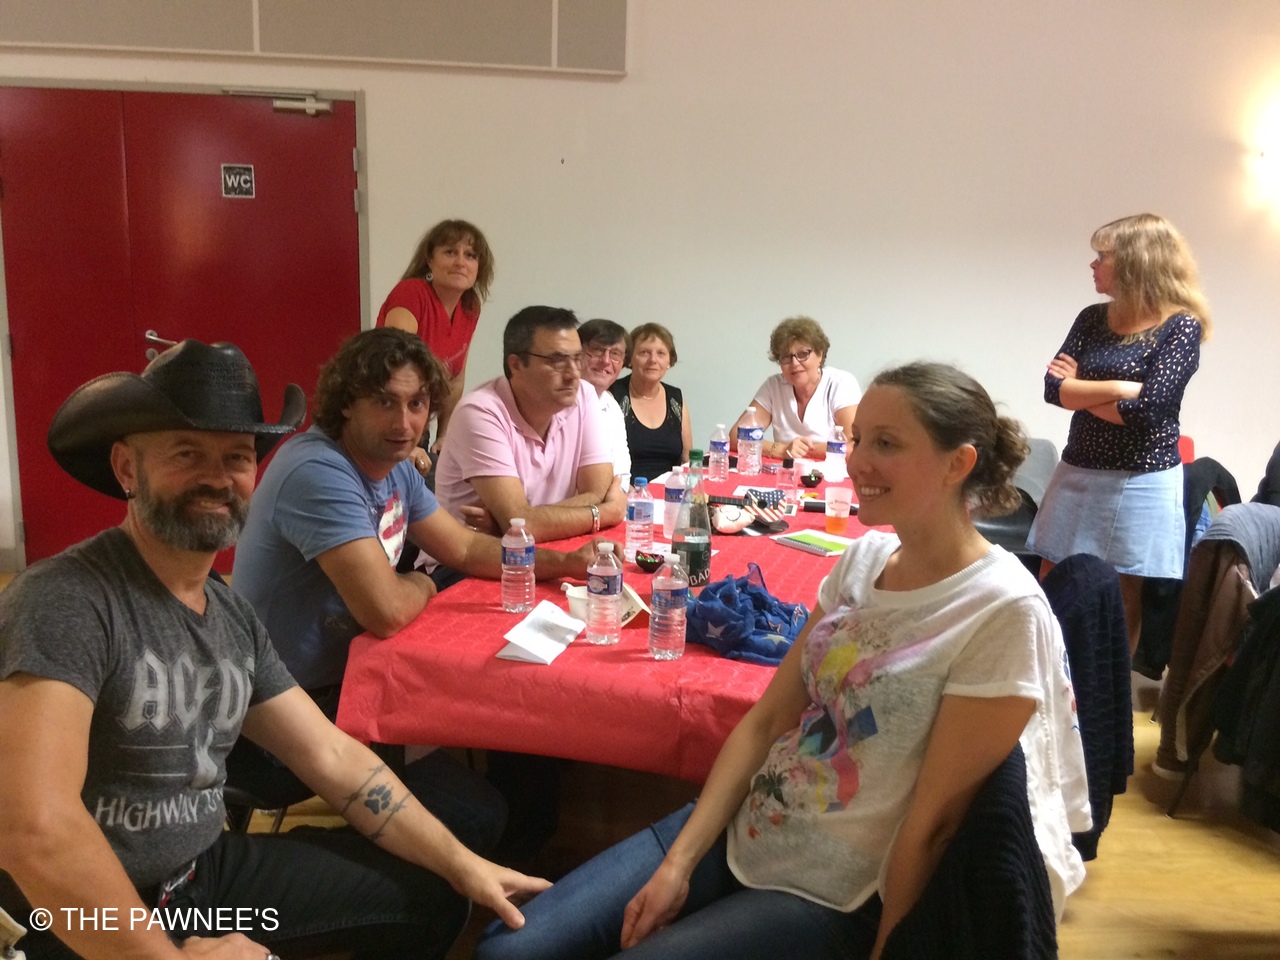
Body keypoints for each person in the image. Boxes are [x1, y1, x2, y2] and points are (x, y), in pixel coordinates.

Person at [474, 362, 1090, 960]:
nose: (857, 460)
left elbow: (934, 825)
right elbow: (768, 721)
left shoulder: (1002, 609)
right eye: (857, 439)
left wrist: (888, 947)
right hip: (751, 823)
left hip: (836, 893)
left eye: (886, 443)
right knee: (510, 949)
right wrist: (679, 862)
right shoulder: (865, 560)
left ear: (959, 463)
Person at [0, 340, 547, 960]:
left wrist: (466, 865)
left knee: (435, 894)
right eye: (186, 453)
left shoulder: (228, 614)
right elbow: (34, 832)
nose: (217, 477)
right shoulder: (66, 598)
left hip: (199, 883)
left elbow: (331, 757)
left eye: (236, 457)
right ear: (127, 469)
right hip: (72, 913)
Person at [230, 328, 599, 853]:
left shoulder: (393, 466)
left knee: (510, 740)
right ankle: (305, 866)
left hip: (355, 678)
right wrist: (424, 582)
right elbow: (385, 611)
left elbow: (465, 548)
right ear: (346, 404)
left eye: (417, 403)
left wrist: (565, 564)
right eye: (385, 402)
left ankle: (498, 862)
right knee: (476, 815)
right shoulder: (318, 470)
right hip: (283, 715)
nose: (404, 424)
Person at [1026, 213, 1212, 655]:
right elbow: (1053, 389)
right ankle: (1047, 674)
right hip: (1078, 469)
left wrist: (1081, 390)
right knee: (1051, 580)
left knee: (1120, 593)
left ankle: (1106, 686)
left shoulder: (1181, 326)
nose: (1093, 265)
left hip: (1141, 479)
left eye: (1102, 256)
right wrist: (1123, 388)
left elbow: (1150, 411)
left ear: (1135, 262)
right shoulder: (1092, 318)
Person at [434, 306, 627, 543]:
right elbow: (522, 526)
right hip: (468, 558)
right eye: (557, 361)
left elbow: (598, 492)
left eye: (577, 359)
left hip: (542, 547)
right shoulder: (480, 412)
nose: (573, 374)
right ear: (516, 365)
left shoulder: (583, 396)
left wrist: (518, 520)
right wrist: (603, 514)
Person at [377, 218, 495, 475]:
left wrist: (445, 435)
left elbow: (455, 377)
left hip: (418, 425)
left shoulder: (470, 306)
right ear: (430, 260)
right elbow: (394, 369)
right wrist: (404, 443)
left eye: (470, 255)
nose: (460, 262)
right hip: (385, 423)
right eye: (450, 252)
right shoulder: (411, 293)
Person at [731, 316, 861, 461]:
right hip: (785, 471)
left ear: (820, 354)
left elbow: (853, 446)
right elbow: (736, 436)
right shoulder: (774, 386)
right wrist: (781, 450)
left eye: (803, 354)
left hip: (830, 472)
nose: (794, 363)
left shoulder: (841, 383)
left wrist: (802, 451)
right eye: (786, 357)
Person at [609, 323, 692, 481]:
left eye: (661, 353)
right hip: (626, 490)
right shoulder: (612, 396)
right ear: (630, 359)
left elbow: (687, 459)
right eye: (644, 353)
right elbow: (604, 466)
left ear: (669, 361)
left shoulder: (676, 399)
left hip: (671, 490)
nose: (653, 360)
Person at [577, 318, 632, 486]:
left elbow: (622, 471)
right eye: (596, 350)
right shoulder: (560, 404)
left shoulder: (612, 406)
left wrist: (620, 493)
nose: (606, 361)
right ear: (577, 353)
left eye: (615, 354)